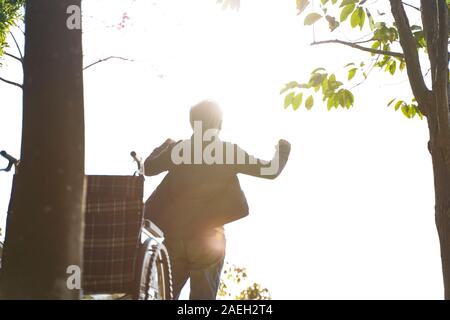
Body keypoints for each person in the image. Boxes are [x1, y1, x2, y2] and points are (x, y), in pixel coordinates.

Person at [144, 100, 291, 300]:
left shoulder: (179, 150)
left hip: (175, 237)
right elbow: (271, 170)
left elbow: (149, 167)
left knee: (164, 296)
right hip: (208, 239)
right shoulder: (227, 152)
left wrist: (166, 145)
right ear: (219, 124)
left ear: (192, 123)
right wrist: (282, 150)